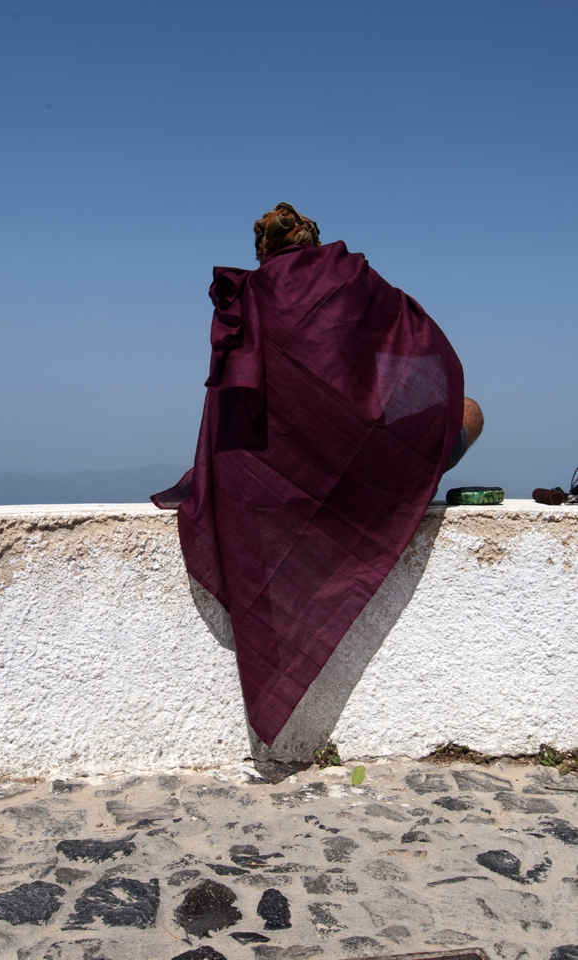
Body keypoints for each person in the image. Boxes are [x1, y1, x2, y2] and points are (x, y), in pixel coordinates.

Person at [152, 203, 483, 746]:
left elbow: (231, 410)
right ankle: (395, 481)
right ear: (313, 239)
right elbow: (420, 351)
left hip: (278, 491)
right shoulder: (352, 277)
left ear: (263, 252)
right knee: (471, 411)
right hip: (371, 479)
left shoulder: (249, 299)